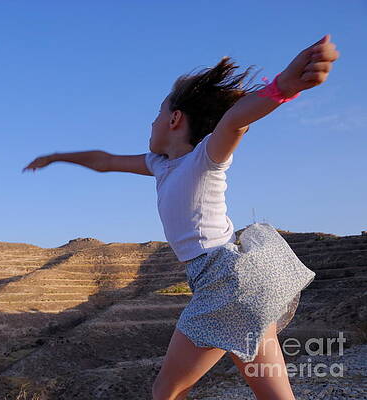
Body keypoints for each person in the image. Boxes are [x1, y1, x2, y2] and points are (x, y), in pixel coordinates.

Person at [22, 34, 339, 400]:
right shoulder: (160, 166)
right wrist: (58, 157)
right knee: (275, 395)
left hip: (223, 281)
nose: (150, 124)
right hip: (245, 285)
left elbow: (234, 122)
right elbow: (105, 160)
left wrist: (283, 86)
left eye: (155, 115)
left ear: (174, 119)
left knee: (167, 391)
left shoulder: (204, 160)